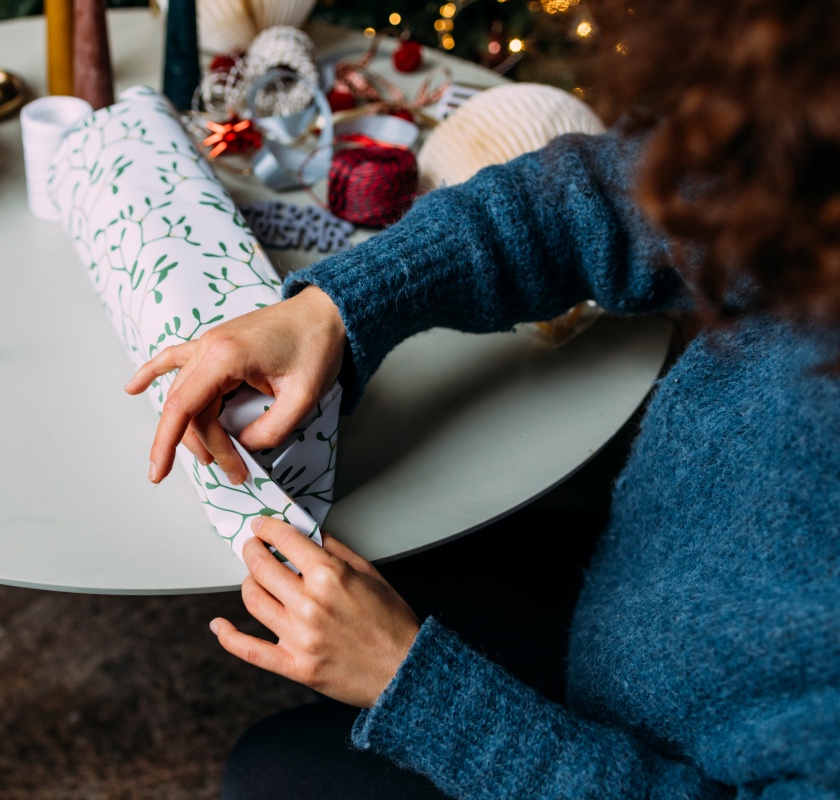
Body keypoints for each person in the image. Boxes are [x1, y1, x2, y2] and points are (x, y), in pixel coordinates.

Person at [124, 0, 840, 797]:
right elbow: (603, 199)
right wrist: (335, 307)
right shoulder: (809, 166)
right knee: (379, 547)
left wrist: (416, 688)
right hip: (628, 599)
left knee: (271, 773)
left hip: (634, 761)